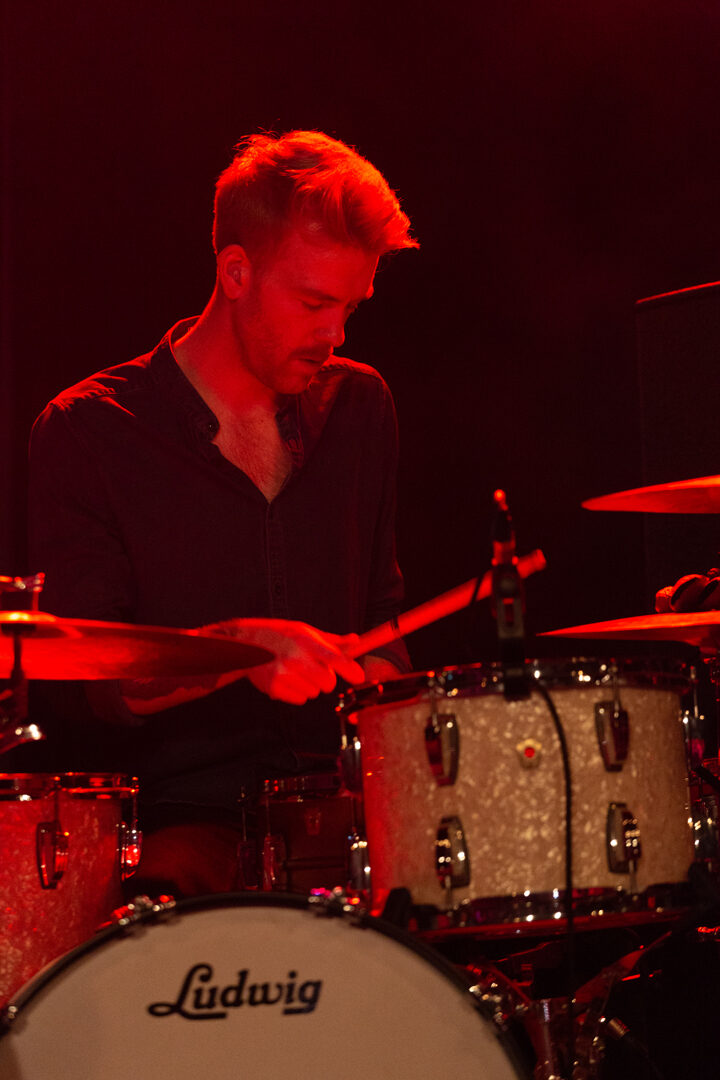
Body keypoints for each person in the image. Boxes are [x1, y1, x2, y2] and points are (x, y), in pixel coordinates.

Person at [27, 130, 418, 896]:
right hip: (180, 818)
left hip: (342, 811)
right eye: (314, 303)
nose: (334, 334)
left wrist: (381, 676)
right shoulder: (89, 430)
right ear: (236, 272)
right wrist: (243, 649)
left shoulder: (361, 405)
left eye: (349, 307)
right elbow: (88, 687)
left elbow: (384, 614)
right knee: (169, 900)